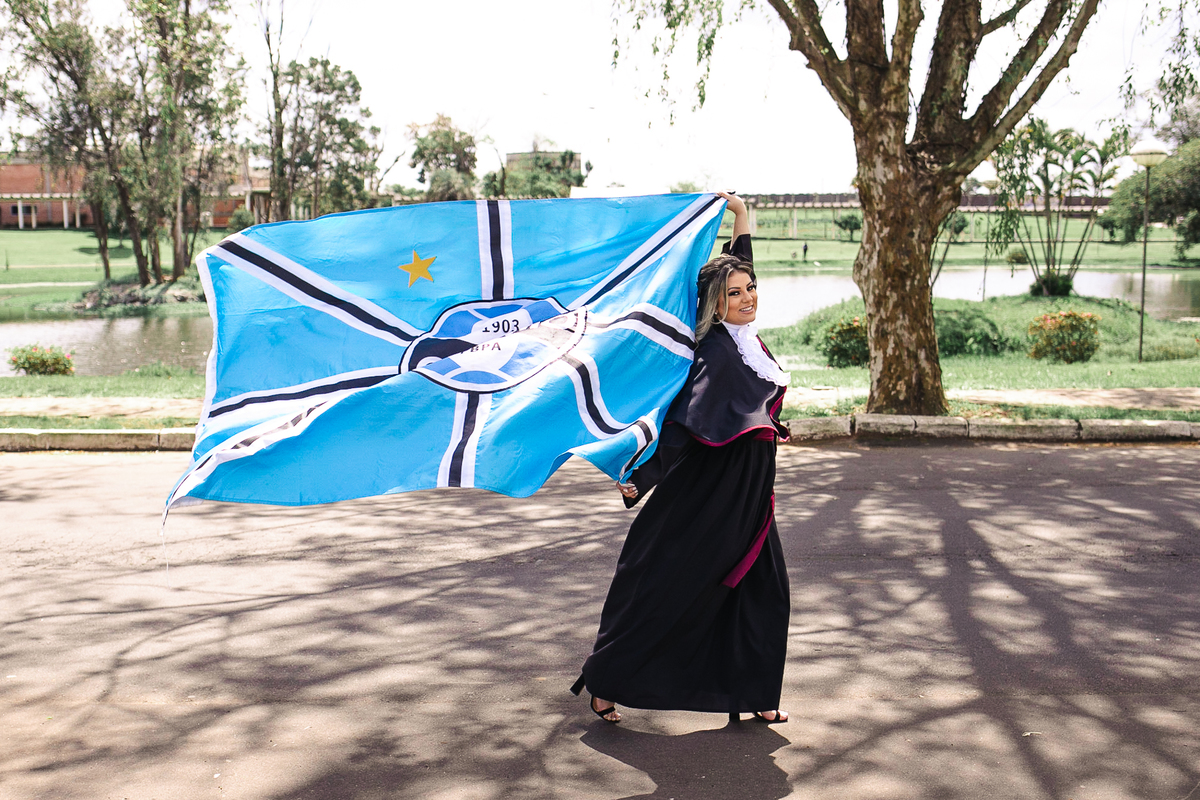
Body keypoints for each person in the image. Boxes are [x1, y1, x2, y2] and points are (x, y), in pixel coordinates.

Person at [571, 191, 792, 724]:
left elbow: (737, 269)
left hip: (750, 495)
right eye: (735, 293)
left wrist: (739, 215)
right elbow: (684, 430)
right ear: (715, 303)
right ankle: (605, 680)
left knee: (762, 593)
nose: (747, 297)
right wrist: (640, 479)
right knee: (669, 589)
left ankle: (754, 694)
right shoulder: (715, 353)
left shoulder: (745, 339)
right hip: (711, 495)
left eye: (751, 288)